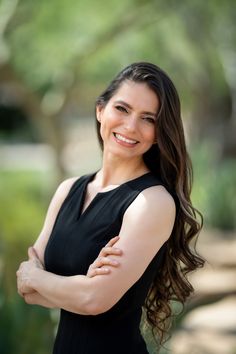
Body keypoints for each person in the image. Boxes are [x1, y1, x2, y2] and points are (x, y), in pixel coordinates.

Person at [16, 62, 204, 354]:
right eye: (122, 109)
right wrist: (79, 286)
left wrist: (37, 277)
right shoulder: (68, 190)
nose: (131, 126)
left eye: (148, 119)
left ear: (159, 131)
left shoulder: (151, 202)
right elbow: (27, 293)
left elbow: (93, 301)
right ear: (100, 110)